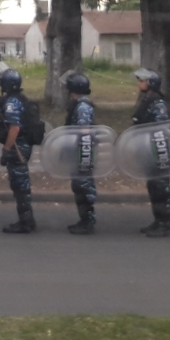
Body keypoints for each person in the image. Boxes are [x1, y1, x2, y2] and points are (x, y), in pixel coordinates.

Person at [130, 68, 170, 237]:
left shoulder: (158, 103)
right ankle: (158, 221)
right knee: (153, 187)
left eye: (142, 80)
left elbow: (159, 129)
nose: (139, 83)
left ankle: (165, 224)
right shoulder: (147, 100)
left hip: (158, 152)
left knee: (161, 189)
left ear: (151, 83)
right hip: (148, 150)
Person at [0, 68, 38, 234]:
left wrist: (7, 149)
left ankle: (26, 222)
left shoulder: (12, 102)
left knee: (20, 185)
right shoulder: (21, 99)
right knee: (21, 184)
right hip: (24, 145)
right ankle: (27, 220)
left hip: (18, 147)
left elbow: (14, 128)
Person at [63, 72, 98, 235]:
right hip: (78, 151)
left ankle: (88, 221)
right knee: (79, 186)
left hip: (82, 152)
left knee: (83, 186)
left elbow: (84, 132)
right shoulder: (78, 104)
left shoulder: (83, 107)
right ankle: (84, 219)